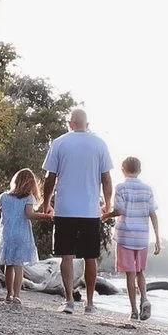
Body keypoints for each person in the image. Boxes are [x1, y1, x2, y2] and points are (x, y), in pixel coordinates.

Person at [40, 105, 114, 315]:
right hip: (90, 210)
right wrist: (107, 204)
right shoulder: (99, 144)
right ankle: (89, 303)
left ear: (70, 123)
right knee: (90, 257)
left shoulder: (60, 143)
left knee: (67, 257)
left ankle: (69, 301)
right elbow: (106, 179)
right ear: (87, 124)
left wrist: (46, 203)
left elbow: (50, 178)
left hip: (65, 209)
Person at [0, 167, 52, 305]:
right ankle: (17, 296)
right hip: (21, 235)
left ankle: (9, 294)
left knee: (9, 266)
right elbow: (29, 215)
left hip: (7, 235)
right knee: (18, 266)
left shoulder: (4, 197)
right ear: (30, 183)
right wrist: (47, 216)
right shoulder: (28, 198)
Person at [111, 155, 161, 324]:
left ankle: (133, 311)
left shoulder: (121, 187)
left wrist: (105, 215)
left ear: (123, 170)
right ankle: (144, 298)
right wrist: (158, 239)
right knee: (140, 272)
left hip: (125, 235)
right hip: (142, 237)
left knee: (129, 275)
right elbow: (153, 214)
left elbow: (119, 210)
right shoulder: (148, 189)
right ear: (139, 170)